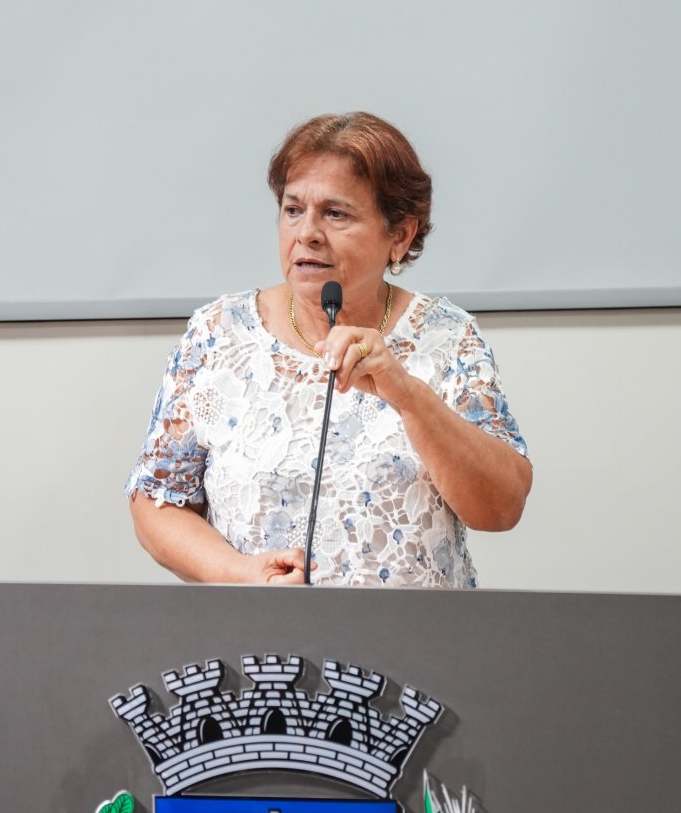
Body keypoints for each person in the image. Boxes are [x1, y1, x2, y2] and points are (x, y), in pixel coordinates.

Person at [125, 112, 531, 587]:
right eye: (293, 210)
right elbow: (158, 501)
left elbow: (501, 508)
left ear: (399, 236)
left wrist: (406, 394)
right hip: (261, 629)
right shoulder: (218, 334)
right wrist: (240, 574)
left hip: (417, 632)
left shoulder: (447, 338)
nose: (307, 233)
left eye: (336, 214)